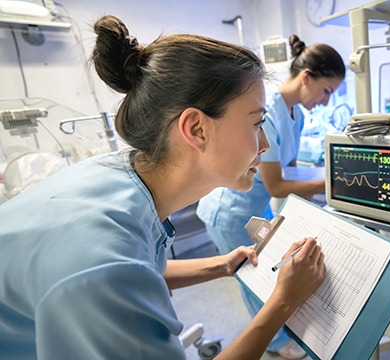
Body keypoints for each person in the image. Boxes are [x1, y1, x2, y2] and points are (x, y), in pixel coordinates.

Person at [0, 15, 324, 360]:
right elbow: (116, 270)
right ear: (197, 129)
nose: (263, 143)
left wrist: (220, 265)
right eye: (256, 123)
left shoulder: (121, 179)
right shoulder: (101, 261)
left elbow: (144, 268)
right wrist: (283, 302)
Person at [197, 34, 345, 358]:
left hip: (255, 205)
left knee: (270, 268)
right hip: (231, 209)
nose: (325, 101)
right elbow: (277, 184)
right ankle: (277, 344)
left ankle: (279, 323)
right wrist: (333, 185)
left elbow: (287, 173)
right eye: (326, 91)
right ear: (306, 77)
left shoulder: (299, 115)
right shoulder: (270, 109)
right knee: (252, 277)